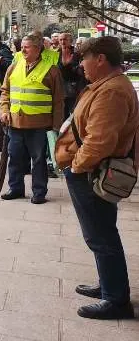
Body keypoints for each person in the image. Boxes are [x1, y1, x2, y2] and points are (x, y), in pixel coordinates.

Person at [55, 37, 138, 320]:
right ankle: (109, 286)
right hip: (90, 170)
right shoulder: (107, 86)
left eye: (84, 59)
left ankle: (116, 299)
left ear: (100, 59)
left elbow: (99, 140)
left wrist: (77, 166)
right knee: (101, 233)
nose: (81, 65)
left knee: (101, 236)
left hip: (92, 173)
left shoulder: (112, 91)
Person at [0, 34, 65, 204]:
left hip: (39, 125)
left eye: (27, 47)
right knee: (14, 158)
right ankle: (15, 188)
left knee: (38, 160)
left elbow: (59, 101)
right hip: (15, 123)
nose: (22, 49)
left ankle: (39, 192)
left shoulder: (51, 70)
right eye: (22, 46)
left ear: (38, 49)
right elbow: (5, 91)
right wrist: (4, 110)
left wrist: (56, 126)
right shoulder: (14, 67)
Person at [58, 32, 86, 118]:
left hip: (74, 91)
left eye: (65, 39)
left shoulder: (78, 54)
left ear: (71, 41)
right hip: (60, 91)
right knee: (62, 117)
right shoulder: (55, 54)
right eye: (61, 40)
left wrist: (67, 66)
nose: (63, 42)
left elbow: (80, 72)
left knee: (75, 116)